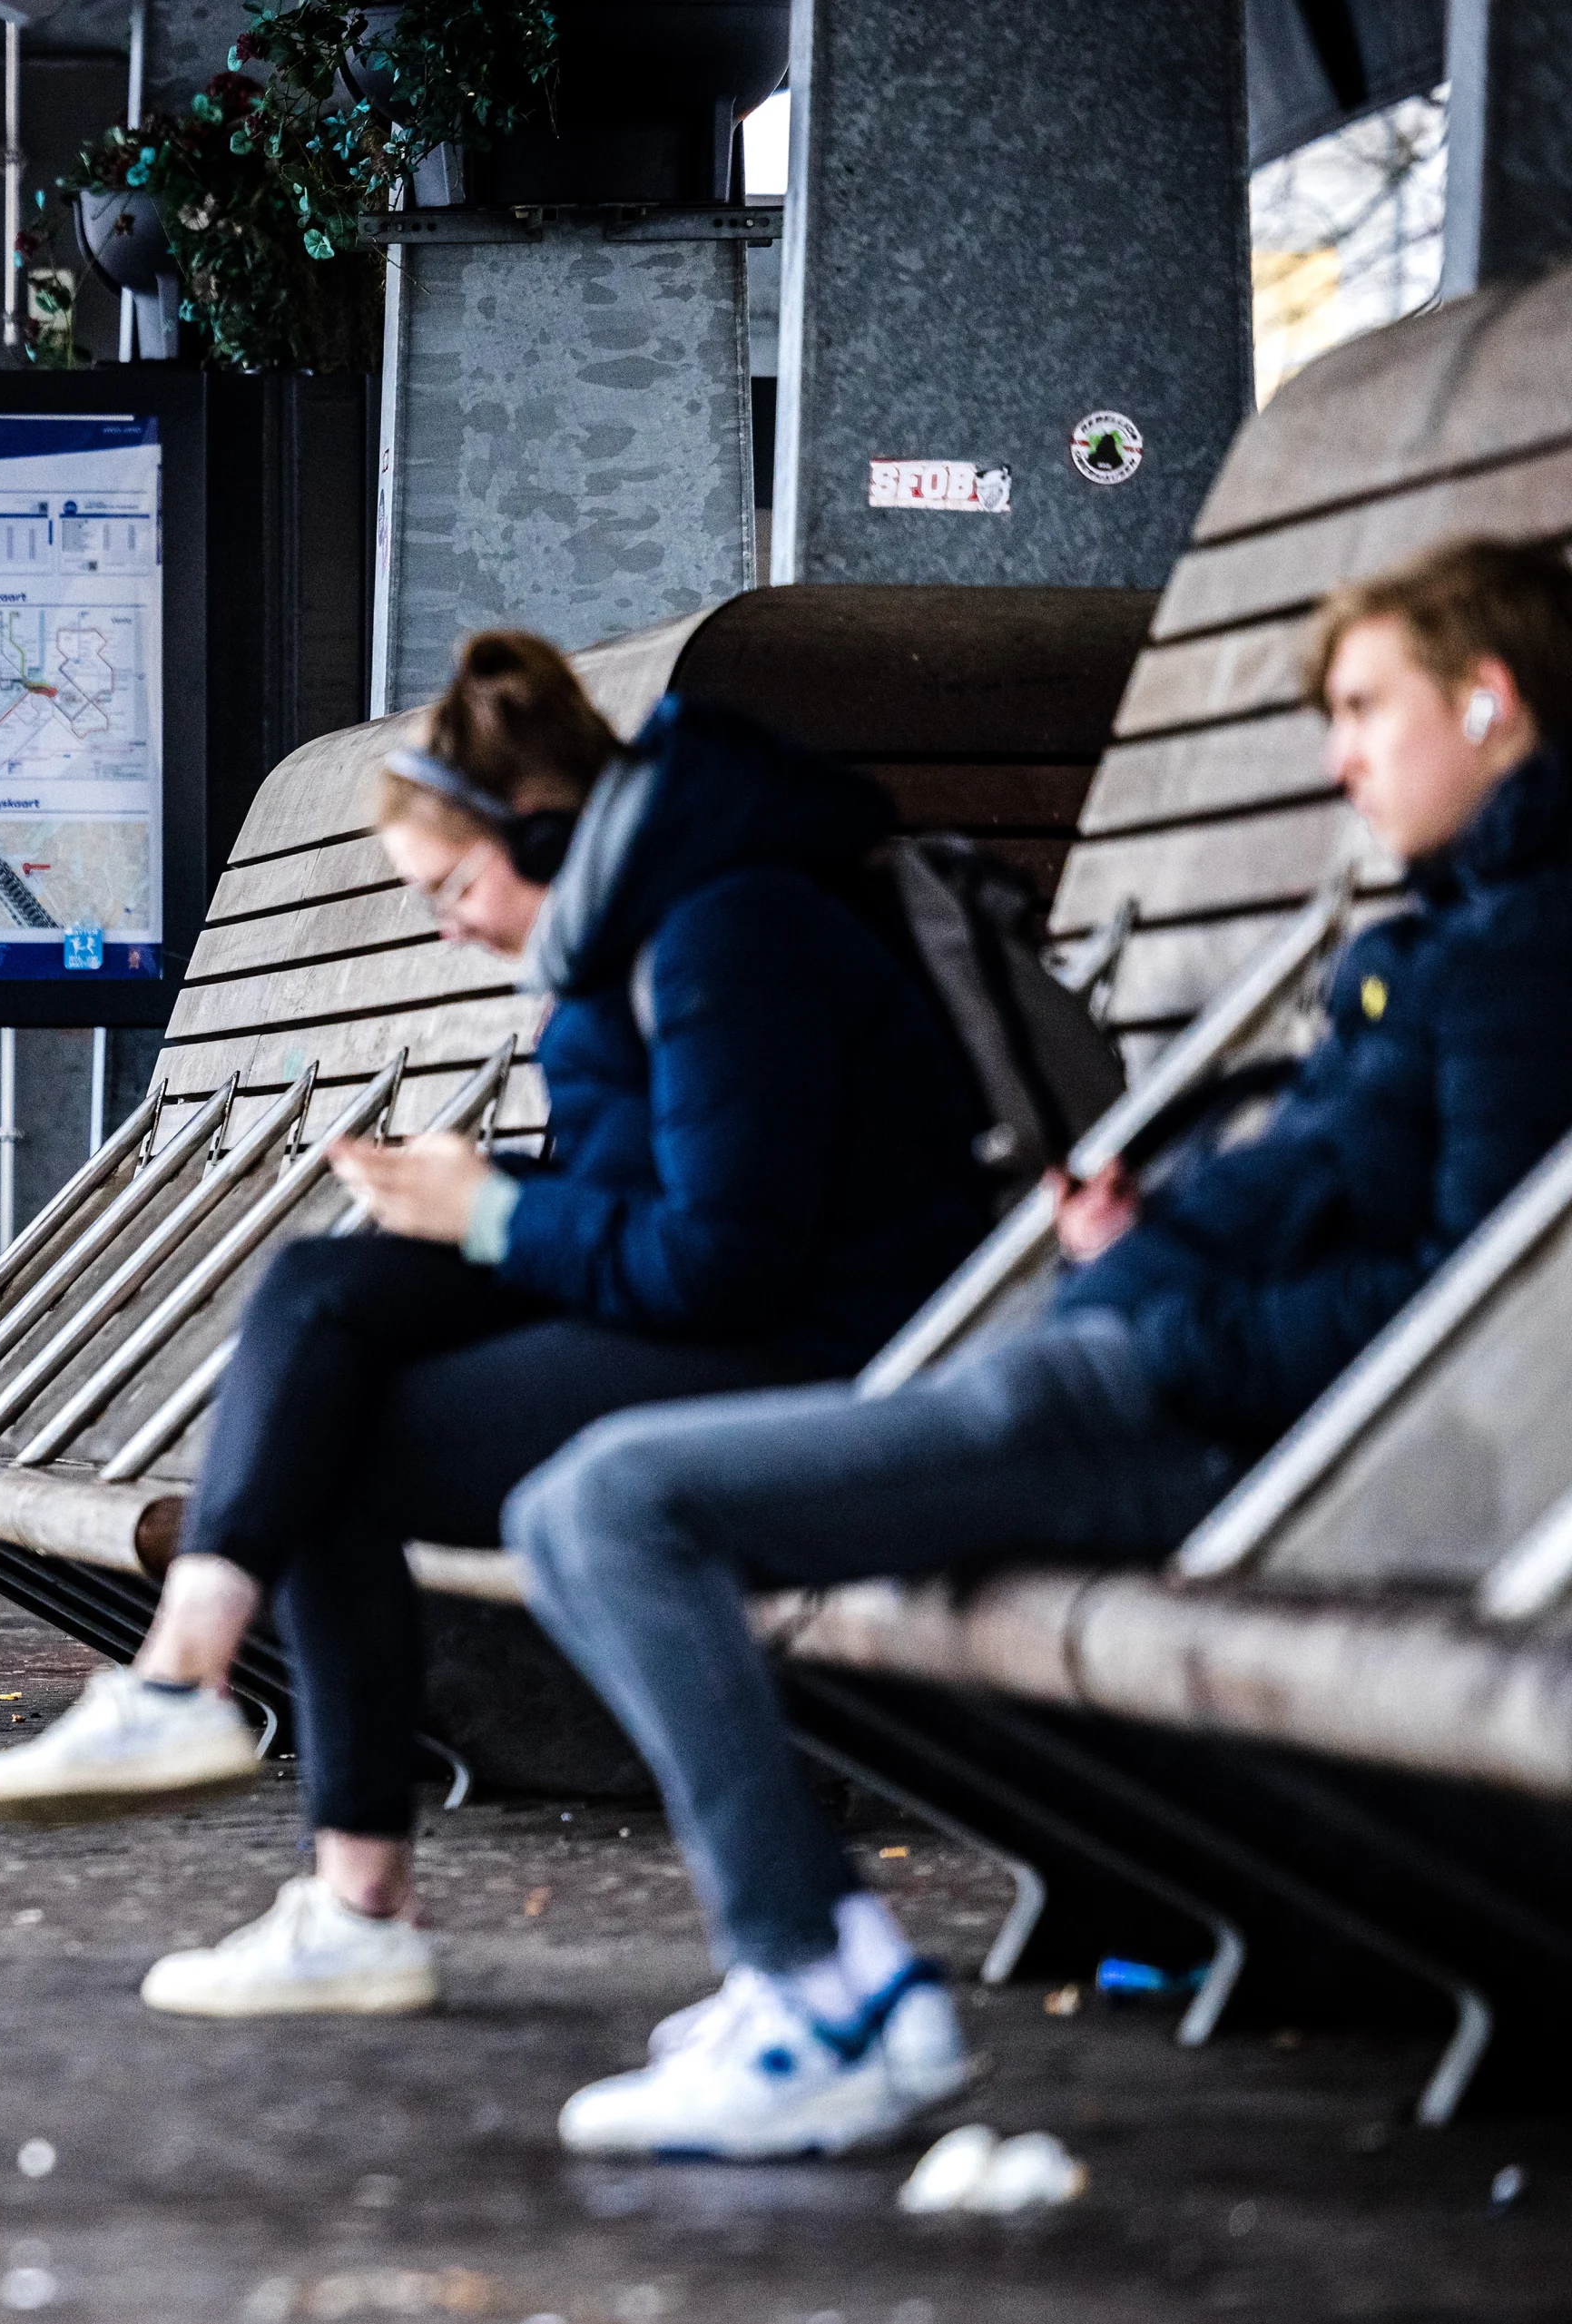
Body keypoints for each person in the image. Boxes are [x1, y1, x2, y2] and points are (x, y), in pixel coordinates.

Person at [506, 534, 1572, 2159]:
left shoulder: (1517, 956)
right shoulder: (1441, 934)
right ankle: (830, 1966)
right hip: (1124, 1375)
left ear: (1489, 702)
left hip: (1153, 1412)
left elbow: (1478, 1301)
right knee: (565, 1509)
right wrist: (1158, 1232)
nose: (1342, 754)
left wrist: (1177, 1322)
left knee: (613, 1509)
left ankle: (821, 1985)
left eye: (1366, 707)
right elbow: (1357, 1213)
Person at [0, 630, 992, 2018]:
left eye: (454, 886)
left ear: (549, 833)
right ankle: (199, 1695)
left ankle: (329, 1865)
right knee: (326, 1295)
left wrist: (495, 1218)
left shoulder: (726, 930)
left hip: (817, 1345)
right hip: (718, 1297)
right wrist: (466, 1202)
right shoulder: (636, 921)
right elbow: (644, 1186)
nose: (448, 925)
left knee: (343, 1435)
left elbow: (730, 1263)